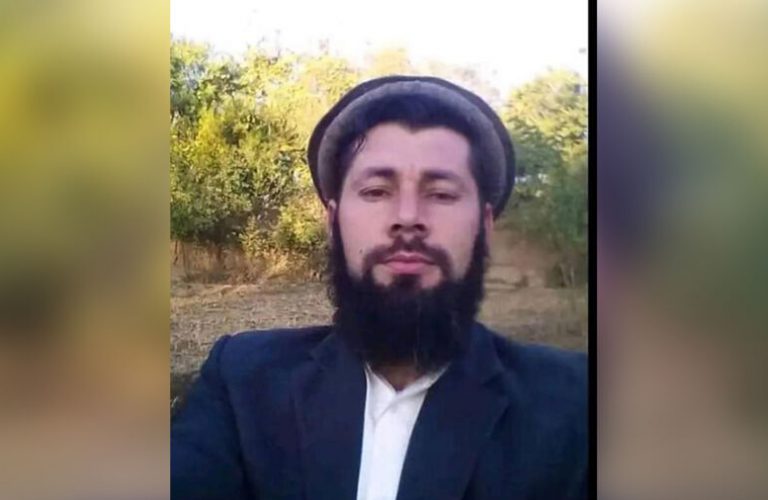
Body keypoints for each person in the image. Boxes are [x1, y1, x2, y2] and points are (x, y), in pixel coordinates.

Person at [171, 75, 587, 500]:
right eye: (376, 191)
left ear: (484, 225)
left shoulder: (577, 404)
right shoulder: (242, 383)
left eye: (442, 194)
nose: (407, 217)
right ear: (333, 222)